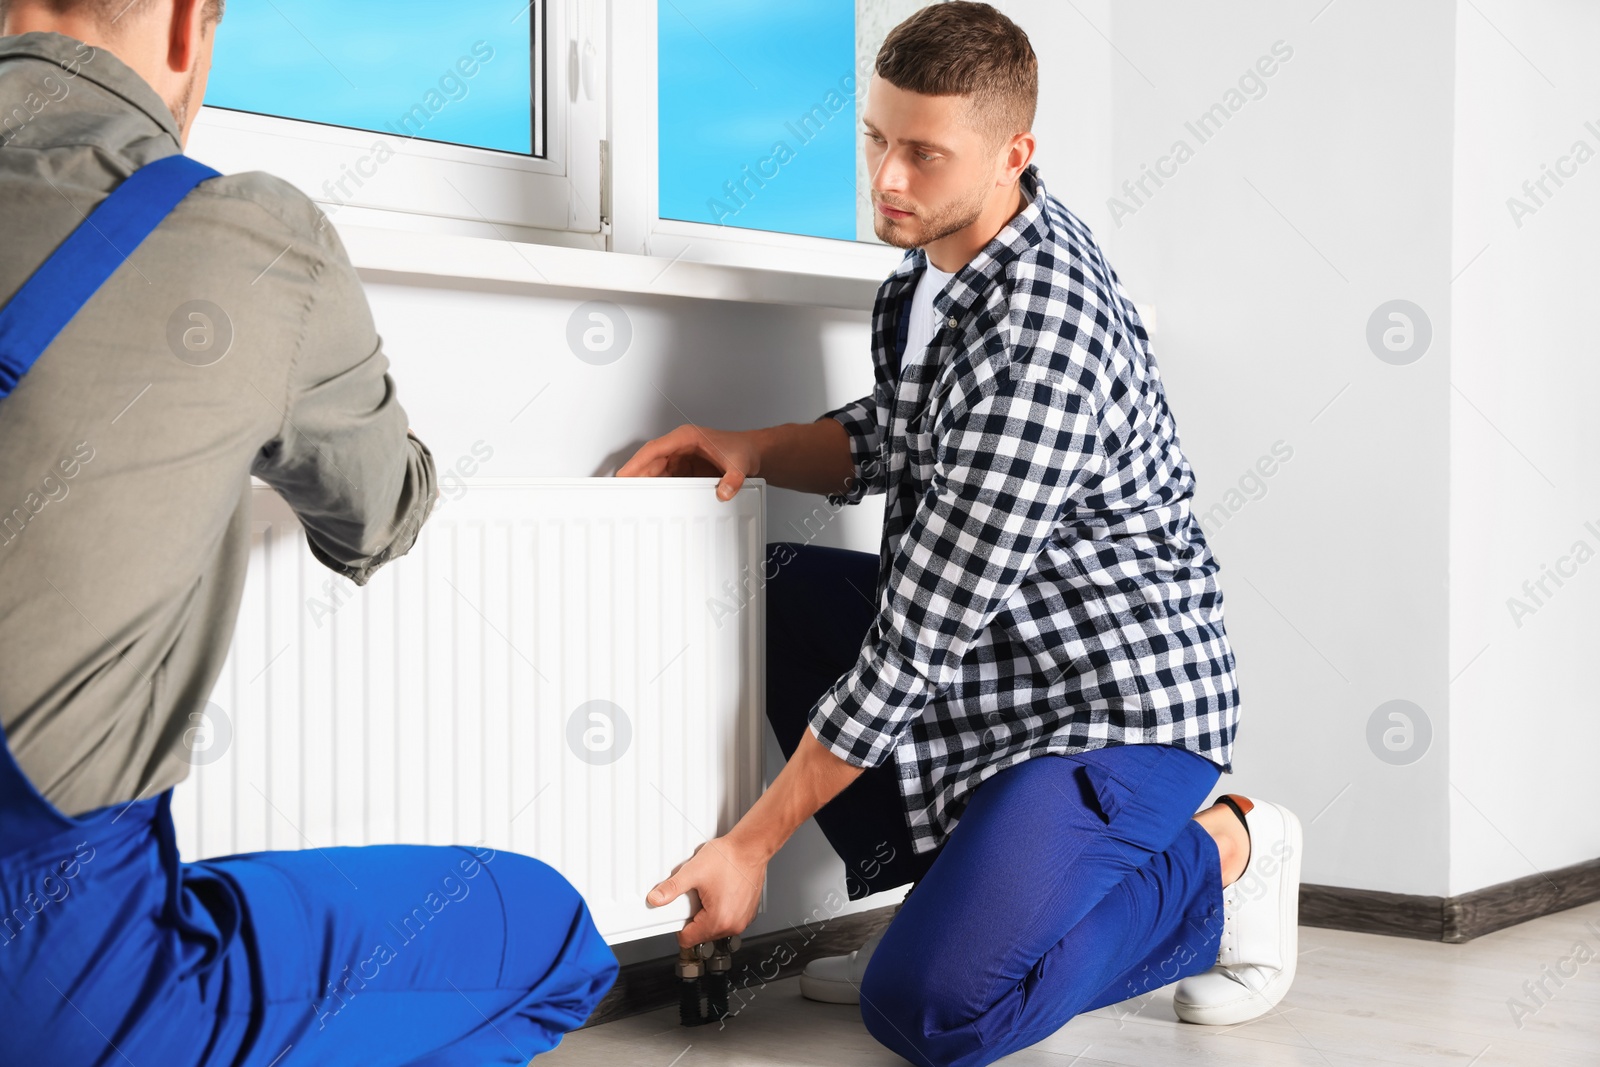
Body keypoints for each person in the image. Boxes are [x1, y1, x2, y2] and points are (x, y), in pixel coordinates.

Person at [624, 4, 1303, 1064]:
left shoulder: (1040, 336)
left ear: (1012, 154)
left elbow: (909, 650)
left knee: (935, 1011)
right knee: (783, 589)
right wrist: (749, 444)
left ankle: (1228, 856)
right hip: (1001, 666)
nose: (888, 179)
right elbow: (899, 434)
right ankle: (949, 910)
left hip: (1108, 712)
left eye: (923, 153)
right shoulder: (938, 266)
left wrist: (749, 844)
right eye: (876, 140)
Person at [0, 2, 616, 1063]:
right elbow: (382, 514)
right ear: (193, 24)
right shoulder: (246, 236)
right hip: (54, 983)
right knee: (552, 934)